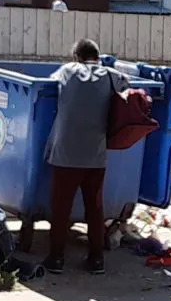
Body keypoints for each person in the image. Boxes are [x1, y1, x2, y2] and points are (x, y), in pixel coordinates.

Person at [45, 38, 126, 273]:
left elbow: (49, 84)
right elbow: (126, 86)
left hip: (65, 155)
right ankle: (96, 259)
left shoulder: (67, 71)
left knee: (61, 208)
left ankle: (56, 258)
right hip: (96, 155)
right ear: (98, 57)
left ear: (76, 57)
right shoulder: (110, 75)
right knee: (95, 208)